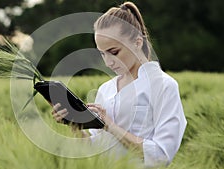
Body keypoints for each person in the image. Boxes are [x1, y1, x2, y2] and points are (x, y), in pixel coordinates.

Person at [52, 1, 187, 168]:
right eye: (102, 54)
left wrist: (110, 126)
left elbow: (162, 155)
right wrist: (75, 125)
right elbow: (95, 149)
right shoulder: (105, 89)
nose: (108, 62)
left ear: (138, 42)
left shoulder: (164, 86)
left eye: (114, 52)